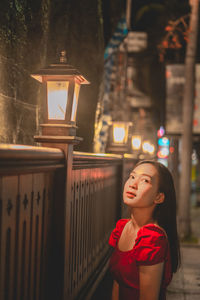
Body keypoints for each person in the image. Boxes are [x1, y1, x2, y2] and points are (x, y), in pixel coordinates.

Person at [108, 160, 180, 300]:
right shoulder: (122, 227)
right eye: (132, 176)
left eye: (145, 180)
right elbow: (117, 282)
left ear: (159, 197)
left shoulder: (152, 239)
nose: (133, 184)